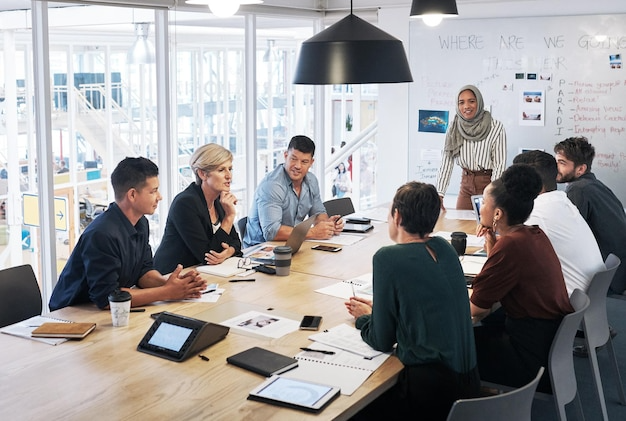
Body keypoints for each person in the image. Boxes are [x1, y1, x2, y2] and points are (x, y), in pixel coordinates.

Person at [345, 182, 480, 420]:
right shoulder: (444, 248)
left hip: (430, 394)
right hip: (468, 387)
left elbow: (382, 340)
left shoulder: (387, 258)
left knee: (354, 408)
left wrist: (364, 319)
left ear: (397, 216)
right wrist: (381, 311)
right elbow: (425, 305)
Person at [49, 157, 206, 311]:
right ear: (132, 195)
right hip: (72, 314)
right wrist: (166, 292)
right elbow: (107, 298)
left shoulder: (141, 223)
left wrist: (173, 284)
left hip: (104, 310)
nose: (160, 197)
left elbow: (144, 273)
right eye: (153, 191)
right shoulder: (102, 234)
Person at [471, 164, 573, 393]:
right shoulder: (532, 233)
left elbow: (475, 309)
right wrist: (491, 239)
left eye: (484, 203)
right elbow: (502, 271)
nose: (481, 208)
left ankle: (470, 399)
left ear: (498, 213)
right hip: (545, 346)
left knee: (452, 346)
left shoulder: (511, 245)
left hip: (527, 358)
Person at [513, 150, 604, 296]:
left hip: (566, 301)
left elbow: (512, 259)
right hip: (585, 297)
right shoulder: (563, 202)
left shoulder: (537, 213)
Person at [154, 144, 242, 274]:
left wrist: (228, 252)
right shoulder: (185, 203)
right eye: (221, 170)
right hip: (171, 277)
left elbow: (236, 243)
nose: (229, 176)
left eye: (230, 169)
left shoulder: (219, 200)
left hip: (200, 273)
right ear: (202, 174)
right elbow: (207, 255)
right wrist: (229, 217)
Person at [554, 136, 626, 295]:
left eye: (562, 163)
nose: (555, 167)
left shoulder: (578, 190)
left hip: (603, 279)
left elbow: (569, 236)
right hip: (616, 272)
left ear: (580, 169)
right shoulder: (596, 186)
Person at [244, 135, 344, 247]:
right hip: (260, 250)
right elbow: (271, 232)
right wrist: (313, 232)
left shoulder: (311, 181)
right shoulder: (272, 185)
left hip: (291, 245)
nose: (297, 166)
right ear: (286, 156)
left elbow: (318, 213)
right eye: (293, 159)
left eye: (304, 162)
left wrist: (328, 225)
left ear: (311, 162)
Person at [436, 84, 507, 210]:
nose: (466, 106)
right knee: (460, 224)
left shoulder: (496, 127)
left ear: (479, 102)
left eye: (471, 101)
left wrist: (493, 194)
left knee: (485, 226)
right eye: (461, 102)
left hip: (488, 182)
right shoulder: (454, 127)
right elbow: (446, 161)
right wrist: (439, 194)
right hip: (466, 184)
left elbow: (499, 165)